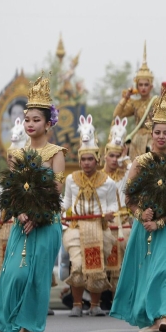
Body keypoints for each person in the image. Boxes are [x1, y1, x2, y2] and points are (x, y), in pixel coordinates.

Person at [0, 73, 66, 332]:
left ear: (48, 122)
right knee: (15, 274)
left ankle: (35, 330)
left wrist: (37, 214)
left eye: (36, 119)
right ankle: (20, 323)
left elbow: (55, 192)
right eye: (27, 119)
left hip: (47, 222)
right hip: (22, 223)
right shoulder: (16, 155)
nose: (30, 124)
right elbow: (10, 192)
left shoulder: (56, 153)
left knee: (37, 277)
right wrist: (21, 212)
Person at [110, 87, 166, 332]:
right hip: (144, 226)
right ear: (151, 133)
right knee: (145, 270)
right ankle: (150, 317)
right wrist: (141, 214)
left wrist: (161, 222)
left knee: (163, 269)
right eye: (158, 132)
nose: (162, 136)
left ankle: (164, 316)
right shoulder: (140, 163)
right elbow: (128, 197)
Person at [61, 132, 119, 317]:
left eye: (90, 159)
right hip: (76, 227)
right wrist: (58, 211)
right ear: (79, 160)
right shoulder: (71, 179)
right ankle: (77, 304)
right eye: (83, 159)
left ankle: (95, 305)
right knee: (77, 265)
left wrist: (110, 214)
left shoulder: (108, 182)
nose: (86, 163)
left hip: (98, 227)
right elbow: (66, 203)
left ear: (97, 160)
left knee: (96, 267)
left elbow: (113, 205)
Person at [113, 42, 159, 161]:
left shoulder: (157, 102)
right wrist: (126, 97)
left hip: (153, 137)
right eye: (140, 85)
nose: (143, 87)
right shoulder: (134, 103)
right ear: (137, 86)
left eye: (146, 84)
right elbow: (116, 115)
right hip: (136, 138)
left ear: (151, 87)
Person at [103, 133, 130, 290]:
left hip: (123, 223)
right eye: (111, 155)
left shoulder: (126, 175)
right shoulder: (98, 176)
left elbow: (135, 170)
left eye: (117, 156)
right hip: (104, 222)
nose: (114, 159)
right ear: (105, 156)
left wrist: (125, 159)